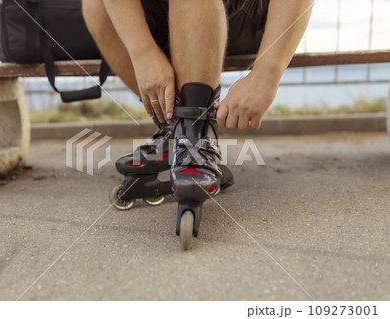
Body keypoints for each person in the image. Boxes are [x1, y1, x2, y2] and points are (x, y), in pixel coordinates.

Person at [84, 0, 313, 248]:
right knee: (94, 5)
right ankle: (177, 130)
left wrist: (267, 74)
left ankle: (195, 137)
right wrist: (143, 53)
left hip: (250, 15)